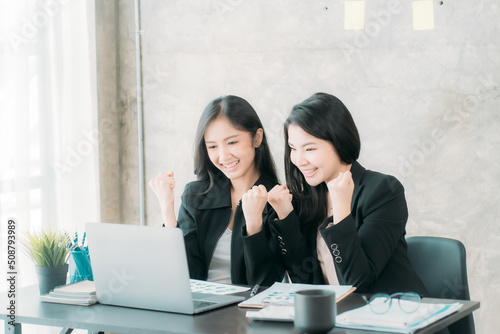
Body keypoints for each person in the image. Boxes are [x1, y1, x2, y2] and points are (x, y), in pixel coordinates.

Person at [266, 92, 428, 295]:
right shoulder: (309, 197)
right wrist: (285, 216)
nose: (298, 160)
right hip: (337, 321)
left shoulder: (384, 191)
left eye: (309, 149)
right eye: (292, 148)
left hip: (393, 316)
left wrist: (341, 210)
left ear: (339, 141)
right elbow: (303, 280)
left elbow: (358, 283)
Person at [149, 95, 284, 286]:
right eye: (212, 146)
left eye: (232, 142)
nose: (223, 156)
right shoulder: (196, 197)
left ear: (257, 138)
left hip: (246, 312)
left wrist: (254, 226)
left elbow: (265, 284)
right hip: (201, 308)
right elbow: (182, 277)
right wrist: (167, 209)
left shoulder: (278, 200)